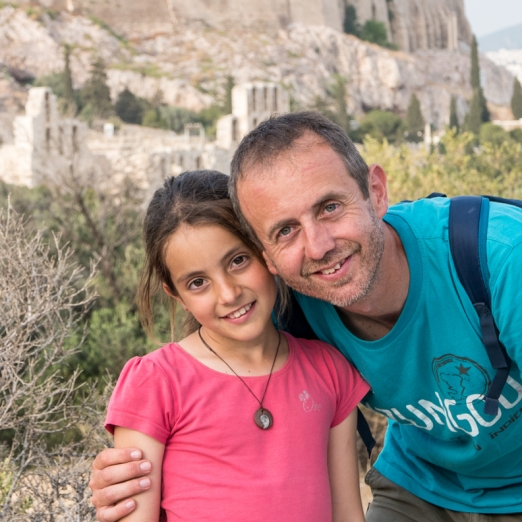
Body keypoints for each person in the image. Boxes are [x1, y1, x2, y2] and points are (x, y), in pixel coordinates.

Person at [90, 112, 522, 521]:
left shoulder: (502, 259)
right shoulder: (281, 305)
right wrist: (124, 474)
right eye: (285, 231)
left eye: (330, 207)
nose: (317, 247)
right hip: (422, 484)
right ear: (268, 255)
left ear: (376, 191)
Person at [101, 169, 369, 521]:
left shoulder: (329, 371)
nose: (228, 294)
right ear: (176, 295)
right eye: (198, 282)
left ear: (266, 251)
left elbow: (347, 514)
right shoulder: (155, 382)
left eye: (238, 261)